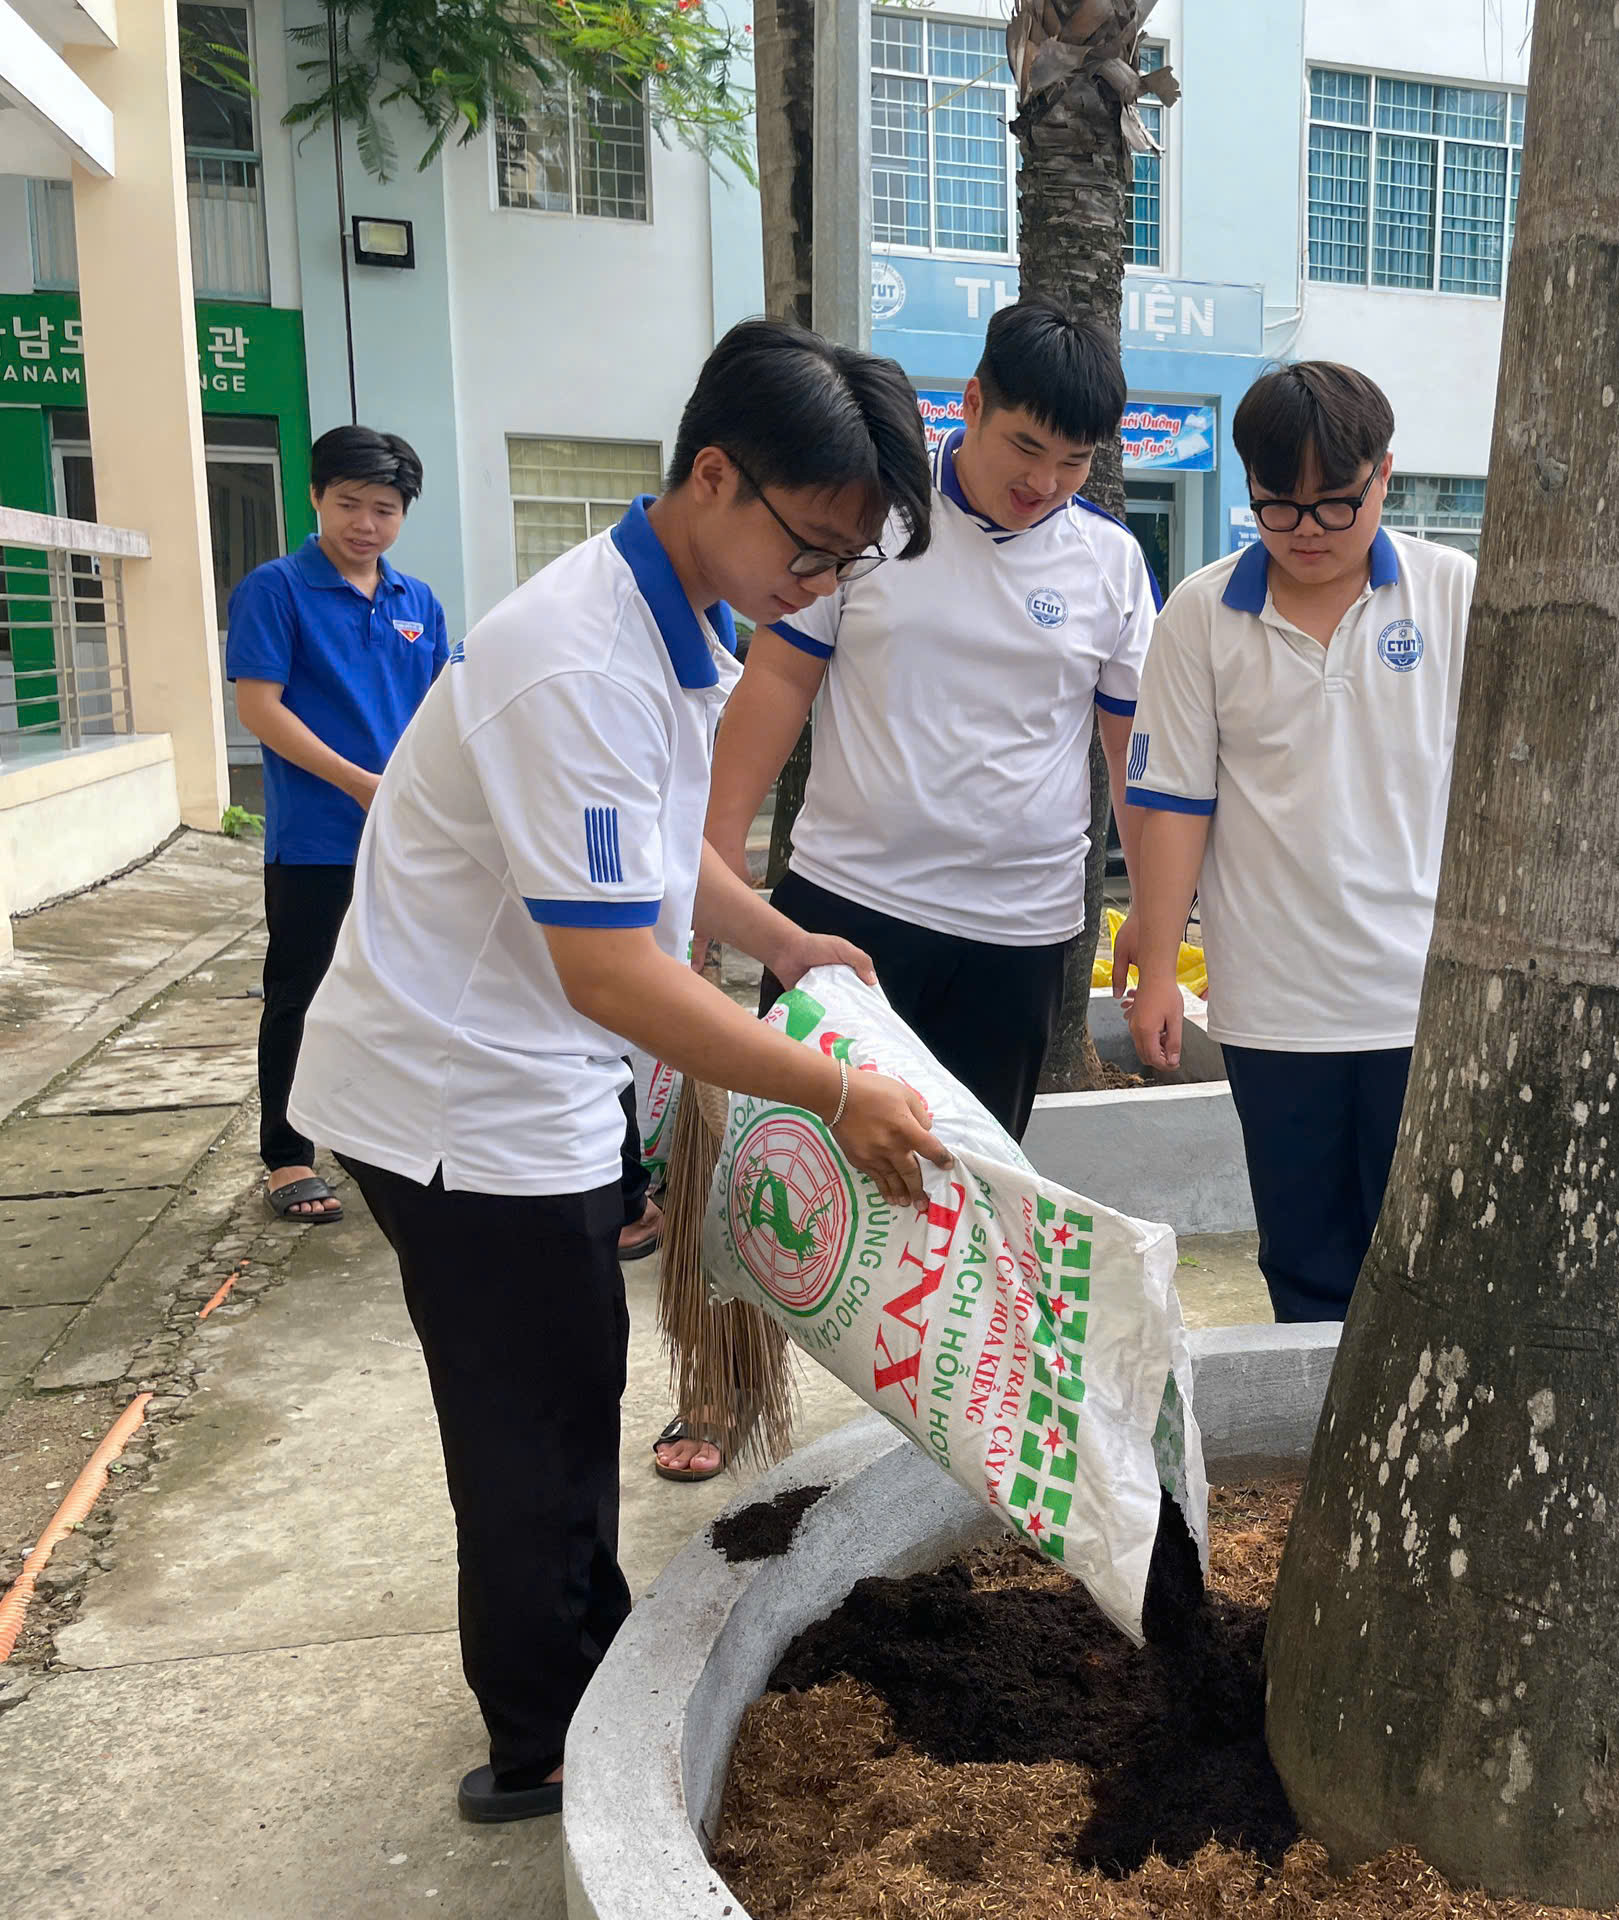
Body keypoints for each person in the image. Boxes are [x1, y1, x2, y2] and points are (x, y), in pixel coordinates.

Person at [290, 320, 953, 1827]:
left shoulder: (673, 619)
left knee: (564, 1388)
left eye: (846, 559)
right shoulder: (579, 659)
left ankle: (577, 1669)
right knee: (530, 1427)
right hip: (463, 1102)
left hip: (530, 1078)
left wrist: (782, 939)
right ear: (714, 475)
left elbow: (650, 861)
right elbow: (610, 969)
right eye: (811, 544)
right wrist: (832, 1090)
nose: (819, 581)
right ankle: (541, 1746)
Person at [686, 295, 1154, 1477]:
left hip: (1016, 935)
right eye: (1024, 448)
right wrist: (712, 859)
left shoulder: (1108, 564)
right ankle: (725, 1392)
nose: (1044, 483)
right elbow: (777, 687)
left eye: (1074, 462)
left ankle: (962, 1428)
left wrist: (1153, 912)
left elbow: (1129, 753)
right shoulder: (873, 524)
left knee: (966, 1192)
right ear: (972, 404)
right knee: (778, 1164)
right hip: (845, 914)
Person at [1115, 362, 1473, 1322]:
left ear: (1384, 474)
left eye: (1335, 505)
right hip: (1274, 1004)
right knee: (1305, 1259)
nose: (1306, 531)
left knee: (1427, 1260)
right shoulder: (1200, 614)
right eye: (1278, 506)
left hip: (1423, 999)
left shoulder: (1453, 595)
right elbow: (1173, 802)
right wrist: (1159, 963)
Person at [225, 426, 449, 1225]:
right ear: (316, 496)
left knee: (405, 991)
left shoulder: (417, 602)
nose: (365, 523)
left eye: (384, 509)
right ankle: (288, 1155)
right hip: (317, 838)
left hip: (406, 836)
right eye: (349, 503)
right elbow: (260, 708)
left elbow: (438, 712)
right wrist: (357, 782)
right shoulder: (276, 590)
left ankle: (381, 1137)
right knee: (303, 991)